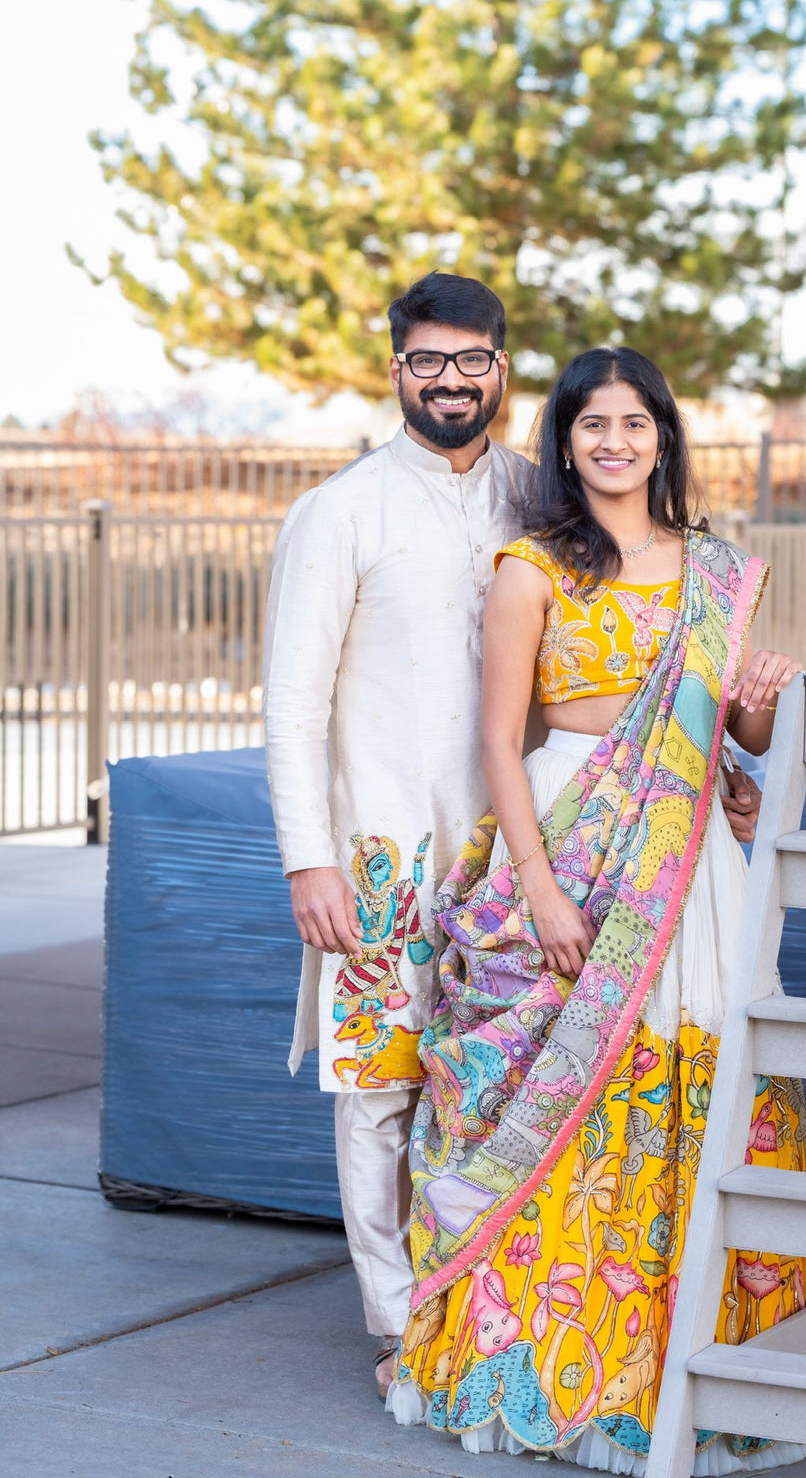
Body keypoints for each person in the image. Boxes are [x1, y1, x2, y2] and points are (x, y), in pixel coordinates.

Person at [390, 347, 806, 1473]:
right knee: (561, 1093)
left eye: (636, 425)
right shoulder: (531, 567)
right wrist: (535, 887)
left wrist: (768, 708)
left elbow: (741, 742)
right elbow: (500, 738)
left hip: (688, 859)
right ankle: (542, 1365)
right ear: (568, 440)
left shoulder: (721, 571)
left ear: (664, 439)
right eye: (594, 426)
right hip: (570, 841)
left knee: (699, 1073)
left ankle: (702, 1373)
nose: (616, 444)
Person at [262, 271, 531, 1395]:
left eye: (472, 359)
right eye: (430, 360)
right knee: (378, 1096)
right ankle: (395, 1329)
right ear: (397, 372)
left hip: (519, 856)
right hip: (380, 860)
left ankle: (484, 1310)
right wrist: (307, 857)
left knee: (499, 1086)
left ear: (502, 369)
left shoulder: (539, 497)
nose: (452, 380)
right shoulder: (341, 510)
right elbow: (292, 701)